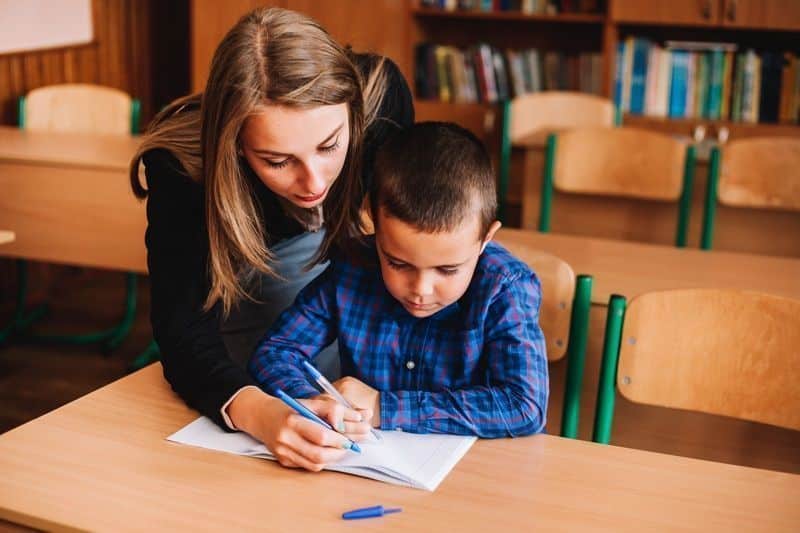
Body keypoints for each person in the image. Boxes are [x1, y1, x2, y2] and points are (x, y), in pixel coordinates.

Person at [128, 7, 413, 470]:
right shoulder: (183, 169)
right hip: (241, 336)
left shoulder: (382, 101)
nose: (315, 182)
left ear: (353, 112)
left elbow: (405, 242)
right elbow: (182, 330)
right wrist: (258, 413)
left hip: (345, 317)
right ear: (234, 142)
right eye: (278, 161)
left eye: (329, 145)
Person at [248, 122, 549, 464]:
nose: (420, 290)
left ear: (485, 239)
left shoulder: (504, 288)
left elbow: (524, 406)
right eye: (398, 263)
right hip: (370, 467)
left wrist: (383, 407)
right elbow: (275, 352)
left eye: (448, 270)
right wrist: (315, 402)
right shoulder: (354, 267)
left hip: (476, 480)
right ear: (374, 225)